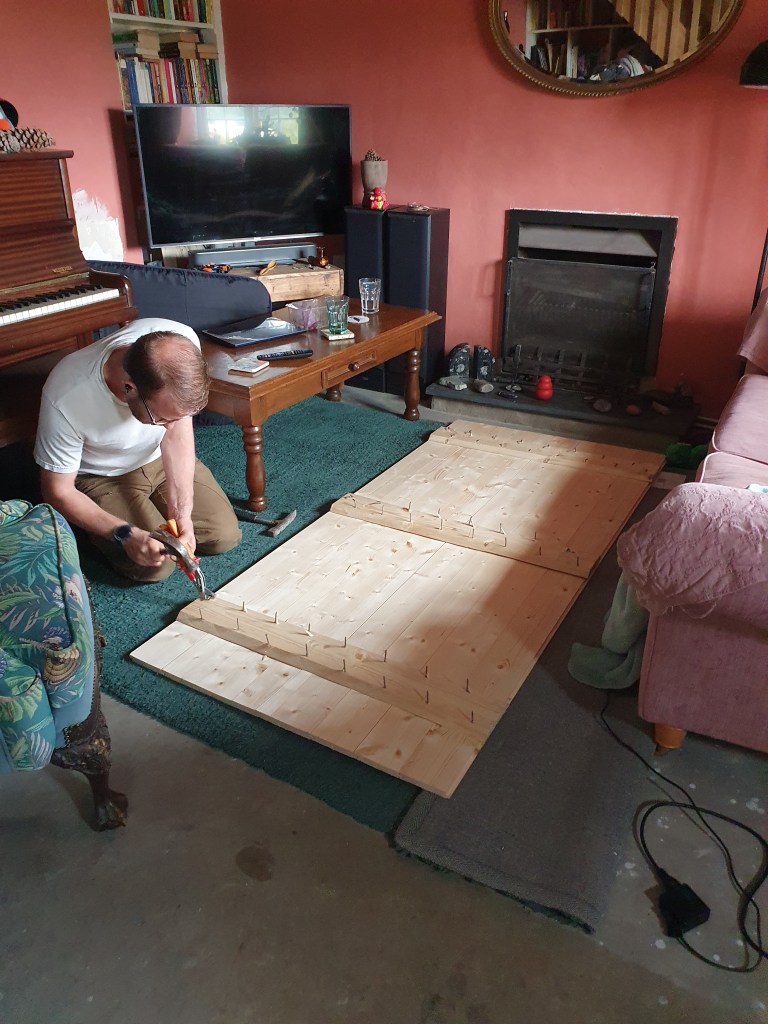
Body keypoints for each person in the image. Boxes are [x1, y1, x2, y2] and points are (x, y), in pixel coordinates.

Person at [34, 317, 241, 582]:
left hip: (156, 459)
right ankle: (93, 532)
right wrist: (123, 533)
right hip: (102, 476)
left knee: (223, 536)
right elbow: (57, 490)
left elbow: (176, 434)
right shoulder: (66, 395)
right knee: (156, 565)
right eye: (161, 418)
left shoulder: (180, 341)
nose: (169, 426)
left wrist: (182, 514)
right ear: (129, 388)